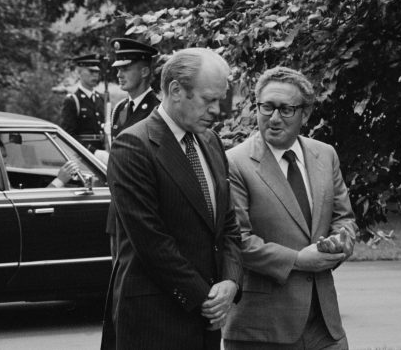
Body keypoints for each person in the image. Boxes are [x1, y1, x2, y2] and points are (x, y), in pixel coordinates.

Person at [100, 47, 243, 350]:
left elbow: (227, 223)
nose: (217, 110)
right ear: (176, 90)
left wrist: (231, 282)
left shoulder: (211, 141)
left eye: (219, 99)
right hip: (155, 321)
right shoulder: (134, 146)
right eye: (209, 99)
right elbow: (152, 242)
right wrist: (204, 298)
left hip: (207, 319)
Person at [223, 66, 358, 350]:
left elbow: (344, 218)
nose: (274, 118)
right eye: (267, 107)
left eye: (286, 110)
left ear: (304, 114)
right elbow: (237, 241)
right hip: (261, 329)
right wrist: (298, 260)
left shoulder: (325, 154)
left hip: (325, 325)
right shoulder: (234, 163)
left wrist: (340, 242)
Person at [105, 37, 159, 260]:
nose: (119, 74)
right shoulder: (120, 109)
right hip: (117, 208)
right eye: (118, 68)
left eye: (126, 68)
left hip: (142, 209)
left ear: (145, 71)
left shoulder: (157, 111)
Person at [60, 54, 105, 153]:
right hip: (83, 155)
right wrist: (92, 151)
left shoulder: (101, 99)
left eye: (97, 71)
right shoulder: (73, 100)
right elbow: (68, 135)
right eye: (91, 71)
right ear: (79, 73)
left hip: (104, 151)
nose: (95, 75)